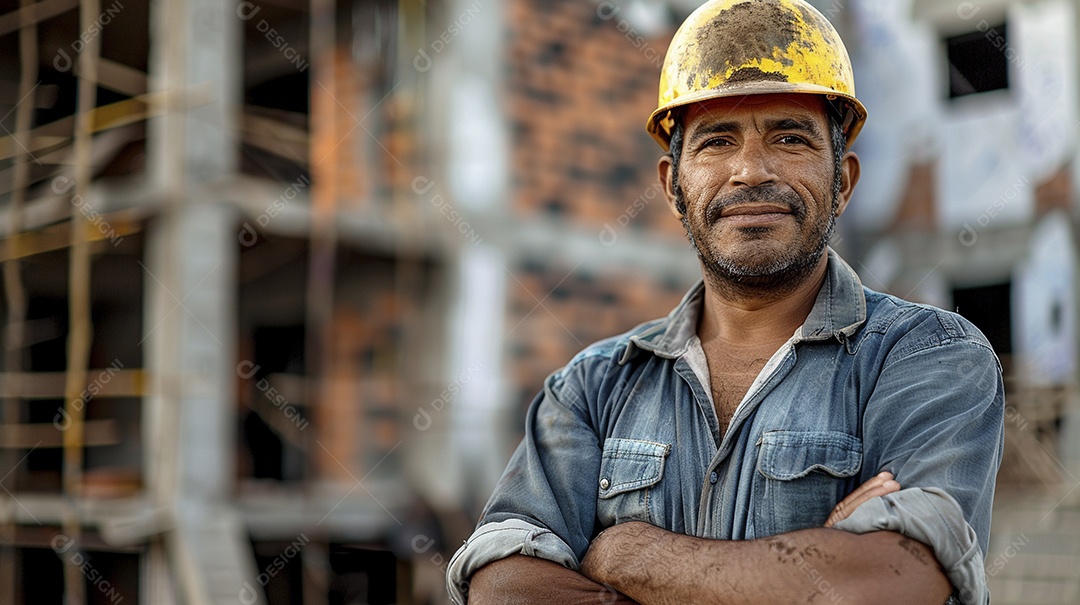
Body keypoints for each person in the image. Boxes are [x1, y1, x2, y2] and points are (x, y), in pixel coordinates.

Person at [446, 1, 1004, 603]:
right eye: (717, 141)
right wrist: (811, 560)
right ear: (672, 185)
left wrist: (626, 553)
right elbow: (501, 586)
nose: (750, 171)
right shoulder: (591, 389)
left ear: (843, 180)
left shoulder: (928, 357)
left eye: (790, 138)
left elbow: (890, 579)